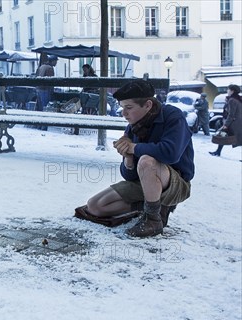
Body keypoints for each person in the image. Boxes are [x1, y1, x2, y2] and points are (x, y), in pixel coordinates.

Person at [74, 80, 194, 238]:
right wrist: (128, 159)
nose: (124, 113)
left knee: (146, 161)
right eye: (123, 107)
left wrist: (134, 148)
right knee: (95, 206)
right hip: (144, 183)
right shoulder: (133, 126)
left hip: (176, 183)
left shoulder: (173, 116)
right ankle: (152, 207)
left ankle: (153, 220)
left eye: (129, 108)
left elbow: (170, 153)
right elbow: (129, 176)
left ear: (148, 105)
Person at [209, 84, 242, 156]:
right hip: (238, 122)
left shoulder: (232, 100)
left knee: (222, 135)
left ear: (232, 91)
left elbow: (231, 114)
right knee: (223, 135)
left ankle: (218, 152)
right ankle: (218, 151)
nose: (227, 91)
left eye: (228, 89)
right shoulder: (238, 99)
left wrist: (226, 125)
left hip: (233, 123)